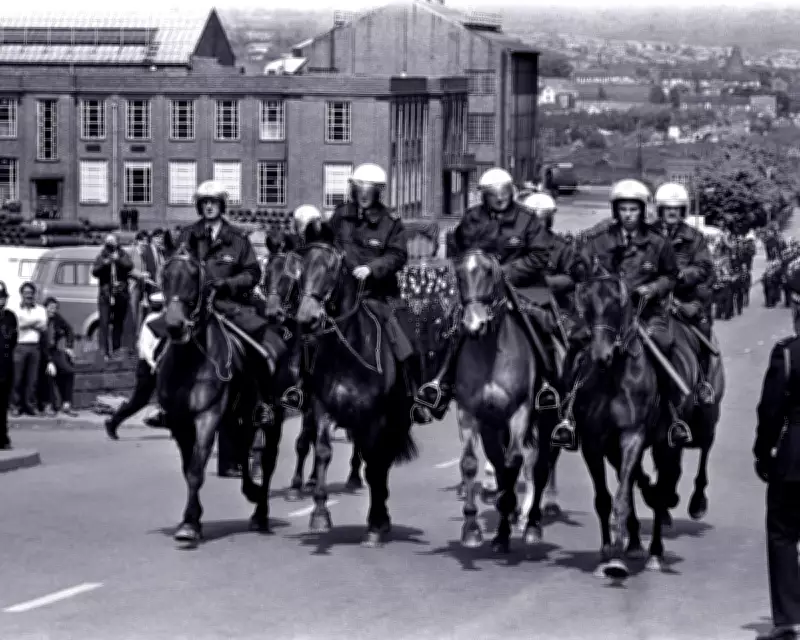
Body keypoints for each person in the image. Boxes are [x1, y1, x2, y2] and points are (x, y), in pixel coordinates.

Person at [280, 165, 431, 424]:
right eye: (359, 188)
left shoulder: (391, 223)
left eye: (369, 190)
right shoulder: (340, 216)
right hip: (340, 296)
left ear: (378, 192)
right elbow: (325, 245)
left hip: (377, 294)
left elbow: (398, 255)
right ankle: (301, 389)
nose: (363, 194)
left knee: (405, 339)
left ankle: (413, 396)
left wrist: (371, 269)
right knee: (309, 334)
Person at [552, 178, 687, 448]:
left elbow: (671, 276)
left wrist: (653, 287)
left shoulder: (658, 243)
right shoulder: (597, 240)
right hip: (605, 316)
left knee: (666, 343)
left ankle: (672, 416)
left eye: (633, 210)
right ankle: (567, 415)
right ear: (616, 211)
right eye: (623, 209)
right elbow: (580, 272)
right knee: (576, 349)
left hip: (645, 312)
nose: (628, 215)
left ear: (642, 211)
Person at [415, 167, 555, 420]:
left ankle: (547, 384)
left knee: (541, 323)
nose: (500, 198)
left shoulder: (528, 220)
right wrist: (471, 271)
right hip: (478, 289)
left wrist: (504, 272)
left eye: (504, 192)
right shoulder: (471, 219)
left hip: (521, 287)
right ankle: (439, 384)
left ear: (511, 191)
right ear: (484, 196)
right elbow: (458, 250)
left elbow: (540, 256)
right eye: (493, 194)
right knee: (447, 325)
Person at [173, 180, 287, 426]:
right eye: (204, 203)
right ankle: (163, 402)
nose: (209, 207)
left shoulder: (237, 239)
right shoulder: (187, 235)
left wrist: (227, 284)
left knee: (262, 348)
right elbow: (175, 268)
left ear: (222, 205)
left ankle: (262, 404)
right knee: (157, 342)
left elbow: (252, 273)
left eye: (213, 202)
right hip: (192, 309)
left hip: (229, 308)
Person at [753, 259, 800, 640]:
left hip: (794, 461)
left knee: (783, 534)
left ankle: (789, 620)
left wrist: (763, 451)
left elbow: (771, 411)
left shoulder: (787, 353)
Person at [651, 183, 716, 404]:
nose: (672, 212)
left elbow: (704, 268)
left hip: (682, 301)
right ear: (659, 209)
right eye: (667, 208)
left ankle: (703, 384)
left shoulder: (695, 238)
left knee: (704, 330)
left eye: (677, 208)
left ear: (683, 210)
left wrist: (680, 275)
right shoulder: (645, 234)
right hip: (649, 302)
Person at [105, 292, 168, 440]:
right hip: (148, 367)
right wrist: (154, 364)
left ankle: (171, 425)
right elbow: (145, 348)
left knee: (169, 396)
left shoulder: (161, 320)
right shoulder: (151, 322)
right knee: (139, 401)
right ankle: (113, 422)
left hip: (158, 366)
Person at [92, 234, 133, 361]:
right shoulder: (102, 255)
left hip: (120, 294)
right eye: (108, 242)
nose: (110, 244)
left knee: (118, 323)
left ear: (117, 242)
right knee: (104, 323)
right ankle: (104, 351)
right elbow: (94, 272)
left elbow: (129, 266)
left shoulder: (122, 253)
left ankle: (116, 349)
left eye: (112, 241)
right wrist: (105, 263)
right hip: (106, 294)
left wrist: (118, 260)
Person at [11, 282, 47, 416]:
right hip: (20, 346)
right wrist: (34, 322)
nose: (29, 296)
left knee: (33, 379)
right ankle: (15, 406)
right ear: (21, 294)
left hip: (35, 347)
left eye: (31, 293)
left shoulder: (41, 309)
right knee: (17, 378)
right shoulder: (15, 309)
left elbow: (43, 326)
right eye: (26, 293)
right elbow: (17, 325)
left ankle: (31, 406)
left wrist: (25, 323)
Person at [41, 297, 77, 417]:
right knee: (48, 374)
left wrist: (69, 347)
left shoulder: (57, 318)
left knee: (69, 371)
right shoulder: (40, 319)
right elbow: (41, 343)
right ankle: (48, 404)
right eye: (50, 307)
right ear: (45, 308)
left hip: (54, 351)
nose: (53, 310)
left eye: (55, 308)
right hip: (42, 353)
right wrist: (49, 361)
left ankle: (67, 404)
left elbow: (69, 330)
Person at [0, 282, 17, 449]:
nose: (1, 301)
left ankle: (3, 437)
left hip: (5, 365)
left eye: (3, 297)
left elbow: (12, 340)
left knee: (3, 404)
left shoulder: (10, 317)